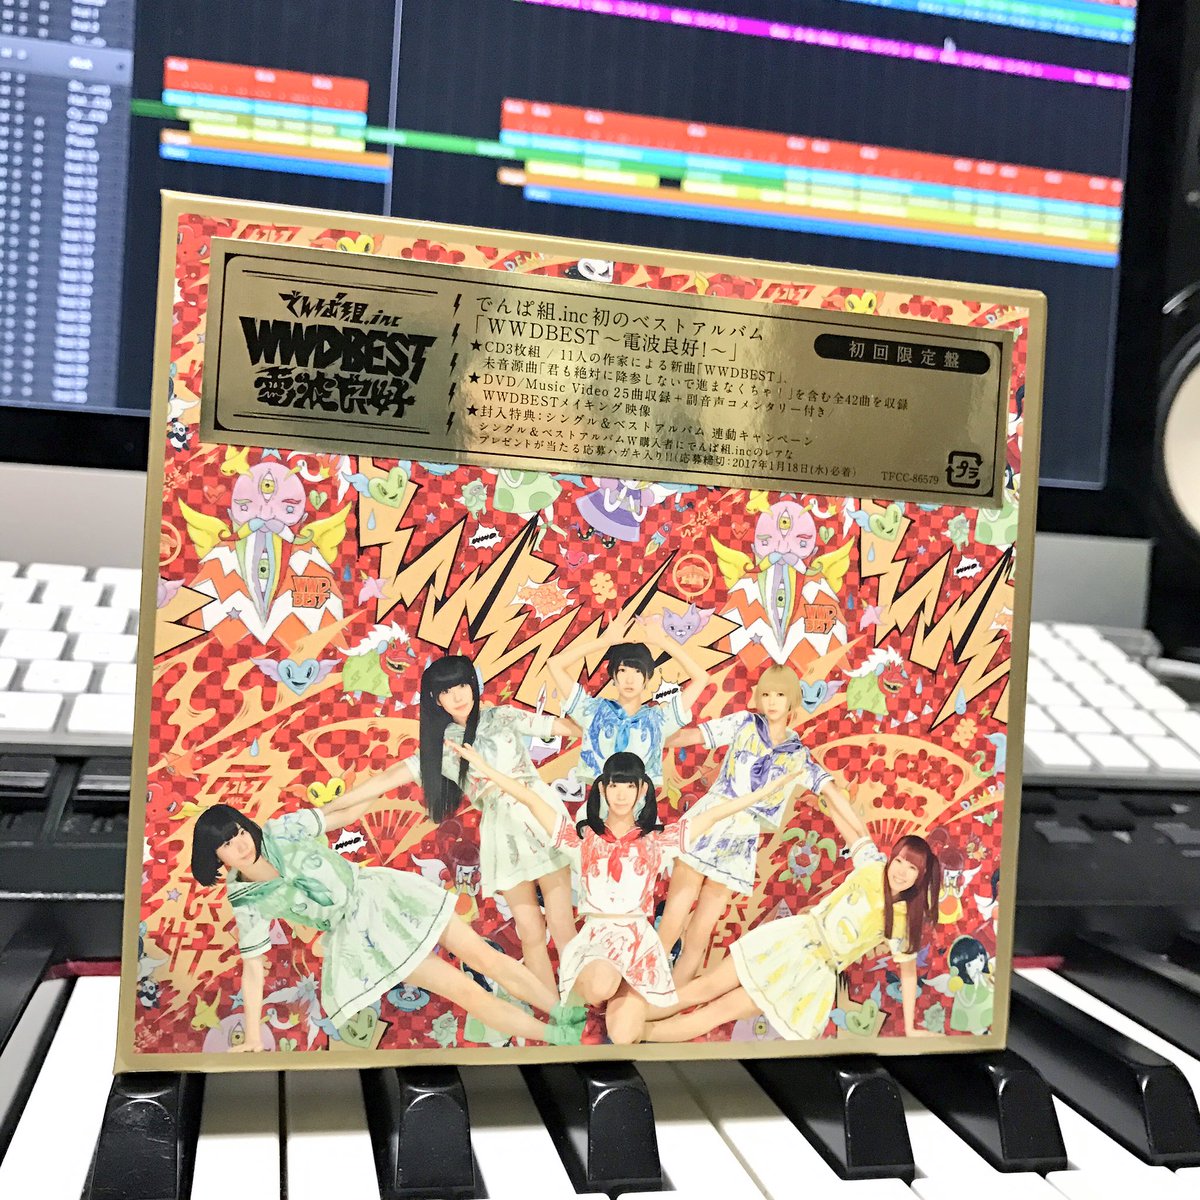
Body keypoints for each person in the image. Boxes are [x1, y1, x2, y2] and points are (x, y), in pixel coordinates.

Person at [189, 766, 582, 1053]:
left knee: (485, 957)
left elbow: (343, 814)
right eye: (227, 844)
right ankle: (555, 1035)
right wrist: (254, 1035)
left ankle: (563, 1014)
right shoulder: (247, 900)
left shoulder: (281, 831)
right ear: (216, 857)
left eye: (239, 832)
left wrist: (399, 777)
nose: (240, 845)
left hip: (385, 894)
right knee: (466, 992)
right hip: (364, 938)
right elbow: (253, 968)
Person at [444, 743, 803, 1045]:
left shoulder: (657, 841)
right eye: (614, 785)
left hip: (639, 947)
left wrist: (763, 793)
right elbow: (530, 799)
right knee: (600, 984)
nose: (621, 793)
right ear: (602, 789)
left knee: (625, 1036)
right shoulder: (583, 839)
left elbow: (712, 816)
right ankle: (589, 1000)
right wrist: (482, 767)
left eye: (629, 786)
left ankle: (625, 1005)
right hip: (598, 942)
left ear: (642, 791)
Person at [643, 784, 942, 1042]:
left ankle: (639, 1034)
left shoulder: (903, 920)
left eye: (912, 868)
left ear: (921, 877)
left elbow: (908, 973)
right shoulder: (872, 866)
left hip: (809, 974)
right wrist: (823, 791)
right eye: (900, 861)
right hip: (791, 939)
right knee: (703, 987)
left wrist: (911, 1027)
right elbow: (849, 826)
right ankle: (632, 1021)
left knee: (718, 1012)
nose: (902, 871)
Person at [391, 654, 579, 995]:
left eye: (462, 685)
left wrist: (610, 726)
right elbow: (388, 778)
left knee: (562, 922)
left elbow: (562, 728)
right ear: (436, 700)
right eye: (446, 691)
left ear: (473, 686)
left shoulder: (501, 716)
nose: (457, 696)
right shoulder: (442, 746)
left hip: (538, 814)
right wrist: (324, 813)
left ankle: (578, 1000)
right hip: (500, 829)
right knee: (530, 931)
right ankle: (552, 1008)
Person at [657, 663, 838, 984]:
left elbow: (831, 791)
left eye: (780, 694)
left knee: (700, 934)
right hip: (707, 826)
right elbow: (694, 736)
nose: (772, 701)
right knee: (671, 921)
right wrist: (648, 736)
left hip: (740, 841)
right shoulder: (744, 723)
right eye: (766, 694)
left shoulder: (798, 754)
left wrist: (863, 840)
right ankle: (636, 997)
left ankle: (669, 1004)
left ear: (792, 700)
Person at [546, 612, 711, 789]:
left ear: (647, 679)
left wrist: (662, 642)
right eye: (623, 671)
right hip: (597, 803)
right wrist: (604, 641)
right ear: (613, 677)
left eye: (638, 672)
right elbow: (554, 664)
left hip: (643, 805)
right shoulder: (594, 712)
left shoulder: (658, 721)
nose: (630, 680)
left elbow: (701, 678)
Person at [947, 935, 994, 1034]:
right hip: (969, 1011)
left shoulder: (984, 977)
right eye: (969, 965)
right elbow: (966, 1001)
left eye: (980, 960)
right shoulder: (962, 987)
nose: (976, 967)